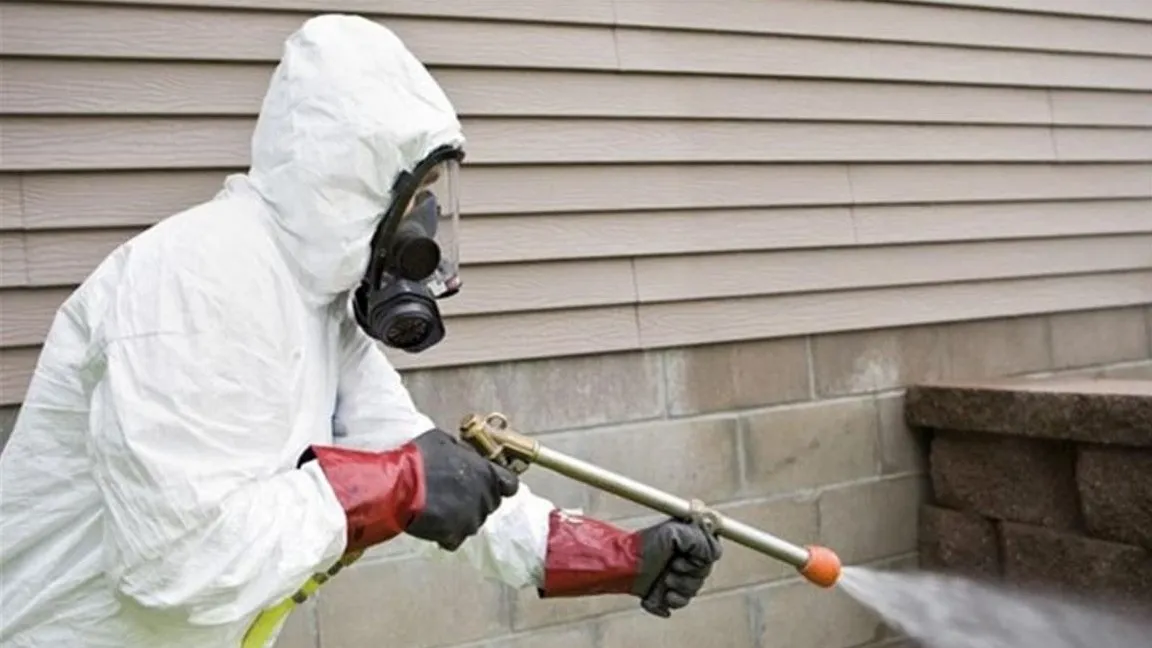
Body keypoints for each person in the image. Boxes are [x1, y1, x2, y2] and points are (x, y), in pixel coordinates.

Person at [0, 14, 722, 648]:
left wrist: (618, 558)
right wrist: (393, 487)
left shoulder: (315, 305)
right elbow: (175, 564)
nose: (425, 226)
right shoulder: (191, 282)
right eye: (418, 197)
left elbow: (416, 460)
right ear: (351, 182)